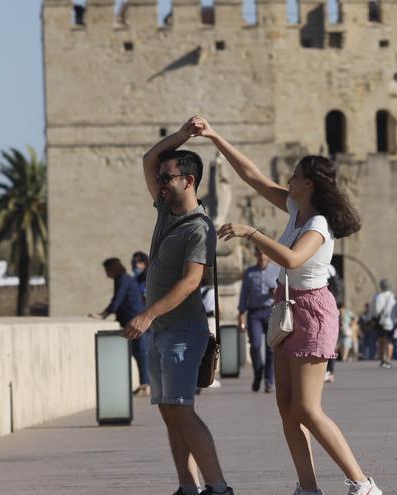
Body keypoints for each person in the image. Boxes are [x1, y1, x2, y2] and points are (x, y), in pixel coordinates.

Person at [195, 115, 382, 495]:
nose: (289, 180)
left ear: (309, 183)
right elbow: (252, 176)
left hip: (312, 311)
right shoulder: (296, 208)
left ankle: (362, 484)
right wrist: (215, 137)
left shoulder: (318, 224)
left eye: (295, 175)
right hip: (286, 309)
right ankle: (308, 487)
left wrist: (252, 233)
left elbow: (293, 260)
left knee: (308, 409)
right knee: (285, 406)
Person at [124, 121, 232, 495]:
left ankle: (218, 487)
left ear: (188, 180)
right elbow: (149, 156)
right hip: (162, 333)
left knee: (183, 410)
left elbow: (191, 281)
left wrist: (148, 313)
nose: (160, 181)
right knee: (169, 412)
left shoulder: (198, 228)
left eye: (167, 177)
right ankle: (188, 486)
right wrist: (186, 133)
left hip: (183, 333)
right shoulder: (164, 211)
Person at [90, 258, 151, 396]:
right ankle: (145, 384)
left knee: (141, 353)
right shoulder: (123, 279)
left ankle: (145, 385)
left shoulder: (124, 279)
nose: (106, 274)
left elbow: (117, 300)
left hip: (136, 321)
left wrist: (103, 315)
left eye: (107, 270)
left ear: (114, 268)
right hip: (132, 320)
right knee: (139, 353)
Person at [237, 246, 281, 393]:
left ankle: (269, 381)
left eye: (264, 253)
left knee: (271, 349)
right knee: (255, 345)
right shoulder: (249, 273)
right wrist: (240, 314)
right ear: (255, 254)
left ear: (268, 255)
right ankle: (258, 373)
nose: (262, 256)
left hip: (271, 312)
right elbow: (243, 294)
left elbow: (283, 291)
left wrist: (276, 292)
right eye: (259, 253)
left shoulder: (276, 271)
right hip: (254, 313)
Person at [370, 279, 397, 369]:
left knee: (382, 341)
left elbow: (376, 310)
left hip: (381, 322)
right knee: (390, 341)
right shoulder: (394, 297)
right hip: (391, 322)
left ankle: (383, 359)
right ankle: (388, 360)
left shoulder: (379, 296)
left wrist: (373, 317)